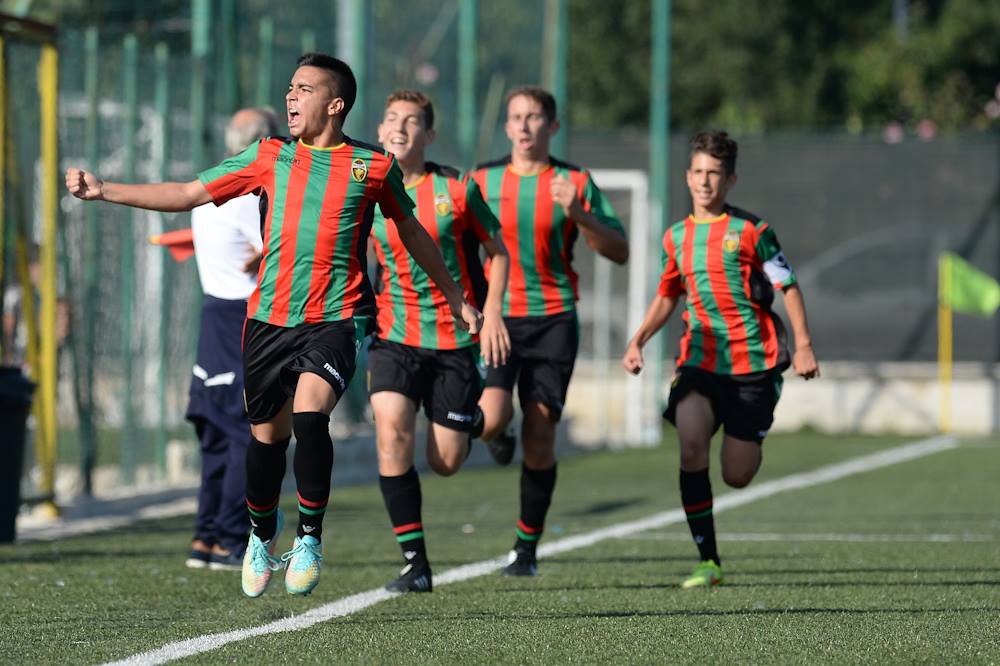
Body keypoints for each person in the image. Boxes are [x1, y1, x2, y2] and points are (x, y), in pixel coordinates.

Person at [65, 53, 482, 598]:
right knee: (266, 441)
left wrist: (456, 296)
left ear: (334, 104)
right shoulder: (268, 158)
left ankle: (309, 537)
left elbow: (413, 232)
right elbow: (188, 193)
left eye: (304, 89)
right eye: (290, 87)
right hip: (266, 321)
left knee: (311, 417)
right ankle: (261, 535)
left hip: (334, 318)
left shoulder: (371, 166)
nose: (291, 97)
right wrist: (106, 190)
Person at [622, 131, 820, 589]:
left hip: (753, 366)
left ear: (731, 180)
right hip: (699, 362)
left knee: (736, 475)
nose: (704, 182)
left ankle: (756, 418)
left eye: (714, 174)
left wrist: (805, 345)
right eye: (697, 172)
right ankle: (707, 560)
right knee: (691, 444)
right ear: (687, 176)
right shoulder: (675, 237)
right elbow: (669, 293)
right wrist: (638, 340)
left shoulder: (753, 232)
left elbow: (787, 285)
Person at [469, 86, 628, 576]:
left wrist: (579, 214)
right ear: (506, 125)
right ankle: (499, 435)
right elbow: (453, 244)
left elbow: (619, 249)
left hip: (554, 319)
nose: (523, 126)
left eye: (534, 117)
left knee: (541, 435)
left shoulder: (573, 180)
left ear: (551, 126)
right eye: (515, 117)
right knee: (490, 419)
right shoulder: (481, 180)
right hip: (497, 317)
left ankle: (526, 547)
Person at [369, 90, 510, 592]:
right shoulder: (364, 186)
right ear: (381, 129)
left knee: (445, 462)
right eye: (391, 118)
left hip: (454, 340)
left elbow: (498, 252)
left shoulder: (457, 189)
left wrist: (491, 313)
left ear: (429, 136)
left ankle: (479, 422)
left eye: (411, 121)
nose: (399, 126)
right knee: (392, 434)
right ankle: (416, 564)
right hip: (393, 336)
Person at [183, 107, 277, 572]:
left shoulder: (210, 185)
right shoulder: (245, 195)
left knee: (217, 433)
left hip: (215, 313)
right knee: (246, 430)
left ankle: (205, 537)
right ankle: (229, 538)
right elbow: (271, 248)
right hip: (241, 314)